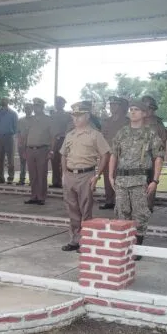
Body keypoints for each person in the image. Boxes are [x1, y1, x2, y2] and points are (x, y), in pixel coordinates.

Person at [108, 100, 164, 253]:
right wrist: (110, 176)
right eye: (131, 109)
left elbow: (158, 157)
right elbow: (114, 154)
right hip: (121, 180)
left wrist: (155, 180)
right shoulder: (122, 132)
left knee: (139, 214)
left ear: (144, 113)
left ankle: (137, 248)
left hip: (140, 180)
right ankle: (124, 245)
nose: (133, 112)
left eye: (137, 110)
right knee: (121, 213)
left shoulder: (150, 133)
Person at [61, 101, 111, 252]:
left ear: (87, 116)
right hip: (70, 175)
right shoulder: (70, 135)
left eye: (79, 115)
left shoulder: (95, 135)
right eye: (74, 116)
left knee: (85, 211)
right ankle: (75, 240)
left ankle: (86, 241)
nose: (75, 119)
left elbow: (105, 154)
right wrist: (64, 173)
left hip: (86, 175)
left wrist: (97, 175)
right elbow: (63, 154)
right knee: (72, 210)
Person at [100, 96, 129, 210]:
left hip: (122, 155)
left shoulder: (126, 122)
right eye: (111, 105)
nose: (112, 107)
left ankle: (120, 201)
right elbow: (102, 137)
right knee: (107, 178)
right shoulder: (106, 121)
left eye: (115, 105)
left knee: (120, 178)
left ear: (120, 106)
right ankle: (109, 200)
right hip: (108, 154)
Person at [24, 98, 53, 205]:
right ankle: (33, 196)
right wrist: (24, 149)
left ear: (42, 107)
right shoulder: (29, 119)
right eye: (35, 106)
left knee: (42, 174)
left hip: (42, 150)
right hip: (30, 149)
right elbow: (25, 135)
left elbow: (52, 136)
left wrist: (51, 151)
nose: (36, 108)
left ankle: (41, 197)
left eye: (38, 106)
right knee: (32, 175)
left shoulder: (48, 119)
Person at [141, 95, 167, 211]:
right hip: (137, 157)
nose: (147, 111)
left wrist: (159, 157)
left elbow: (163, 140)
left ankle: (148, 205)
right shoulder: (135, 122)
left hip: (153, 157)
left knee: (151, 181)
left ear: (153, 109)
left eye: (149, 108)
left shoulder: (158, 124)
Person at [50, 96, 73, 188]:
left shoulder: (68, 115)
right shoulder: (52, 115)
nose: (58, 105)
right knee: (54, 161)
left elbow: (71, 127)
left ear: (63, 104)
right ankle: (55, 182)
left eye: (60, 103)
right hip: (53, 140)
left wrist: (65, 134)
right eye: (57, 103)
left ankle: (64, 182)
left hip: (64, 139)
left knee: (64, 161)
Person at [0, 97, 18, 184]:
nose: (3, 101)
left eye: (5, 100)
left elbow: (16, 127)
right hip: (0, 137)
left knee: (10, 159)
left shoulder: (13, 113)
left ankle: (10, 178)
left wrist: (11, 134)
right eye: (2, 100)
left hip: (9, 137)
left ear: (8, 102)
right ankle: (0, 177)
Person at [16, 102, 33, 186]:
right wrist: (20, 143)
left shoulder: (35, 120)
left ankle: (32, 180)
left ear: (32, 109)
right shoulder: (20, 120)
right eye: (26, 108)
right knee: (22, 162)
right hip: (22, 144)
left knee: (31, 163)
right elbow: (18, 132)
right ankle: (21, 179)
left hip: (31, 144)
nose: (27, 110)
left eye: (29, 108)